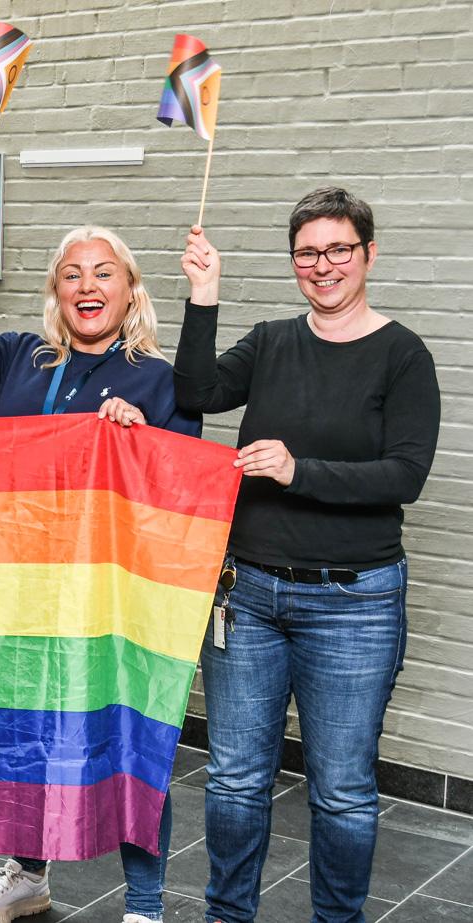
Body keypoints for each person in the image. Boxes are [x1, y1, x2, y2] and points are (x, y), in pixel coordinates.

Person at [0, 188, 201, 923]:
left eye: (103, 272)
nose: (87, 286)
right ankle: (28, 873)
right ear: (56, 292)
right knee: (23, 731)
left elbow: (182, 486)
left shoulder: (157, 378)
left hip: (111, 599)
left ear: (130, 289)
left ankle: (144, 903)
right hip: (20, 584)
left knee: (130, 742)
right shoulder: (24, 356)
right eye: (71, 274)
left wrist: (140, 436)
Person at [173, 187, 440, 923]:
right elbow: (195, 391)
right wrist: (204, 294)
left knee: (343, 789)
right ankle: (227, 916)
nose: (323, 266)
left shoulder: (403, 355)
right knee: (233, 780)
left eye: (338, 250)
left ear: (368, 254)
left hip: (355, 604)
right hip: (249, 597)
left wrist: (298, 471)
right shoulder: (270, 341)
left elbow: (404, 476)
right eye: (307, 254)